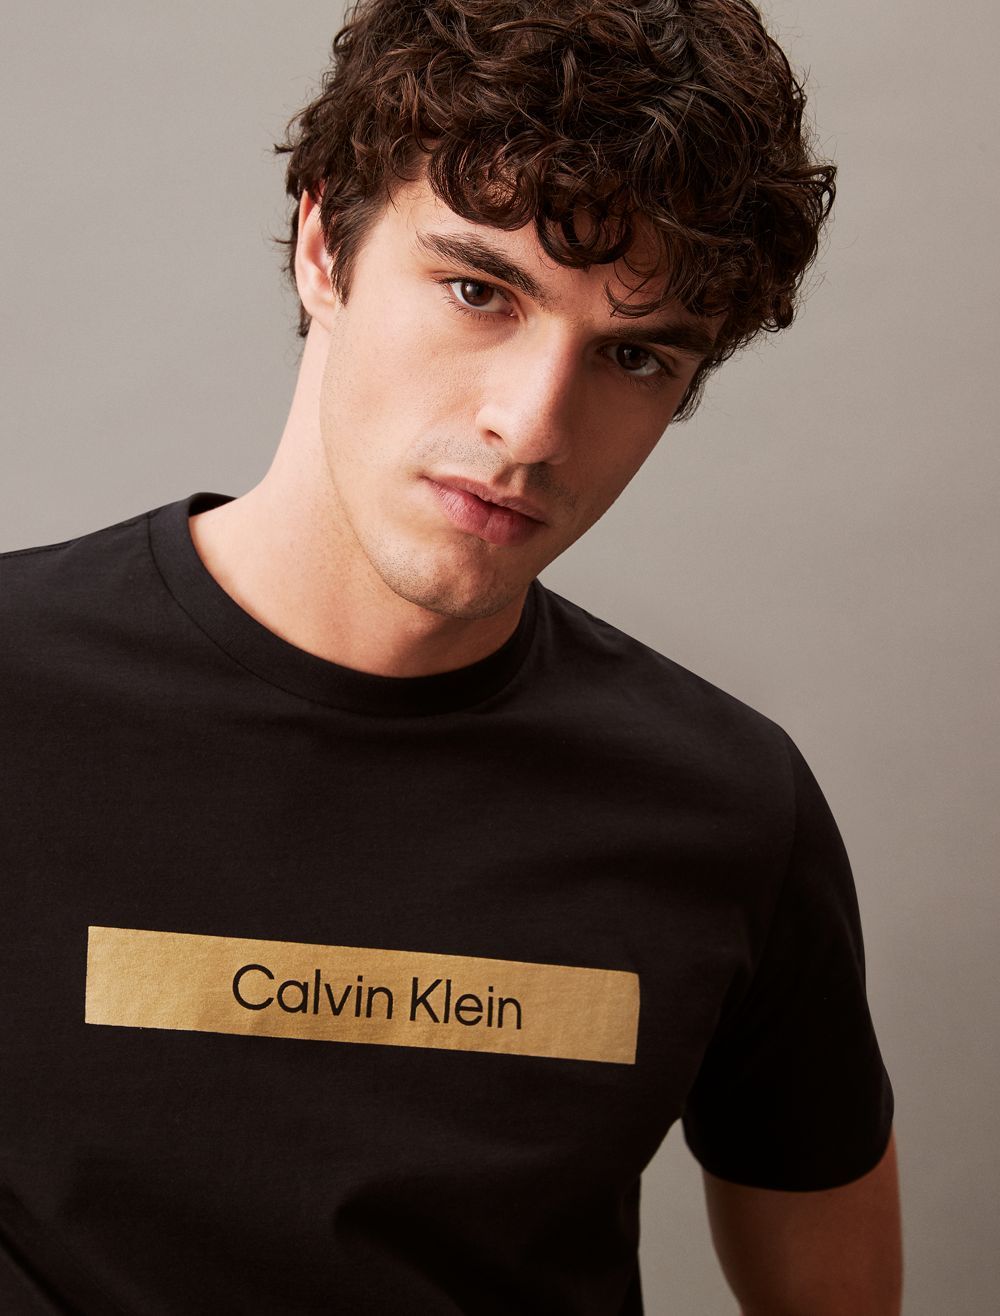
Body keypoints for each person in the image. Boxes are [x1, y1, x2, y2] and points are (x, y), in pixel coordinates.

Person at [0, 0, 902, 1312]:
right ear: (325, 246)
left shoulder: (729, 810)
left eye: (633, 355)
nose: (531, 427)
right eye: (481, 291)